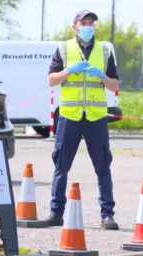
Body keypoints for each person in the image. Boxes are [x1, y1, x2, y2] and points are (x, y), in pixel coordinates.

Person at [46, 10, 120, 230]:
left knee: (103, 168)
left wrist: (102, 76)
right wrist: (69, 70)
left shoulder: (105, 50)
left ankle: (107, 215)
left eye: (91, 23)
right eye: (84, 22)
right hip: (70, 117)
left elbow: (114, 85)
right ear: (74, 27)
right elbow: (51, 80)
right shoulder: (63, 48)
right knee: (61, 167)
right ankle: (56, 212)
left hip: (96, 118)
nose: (88, 26)